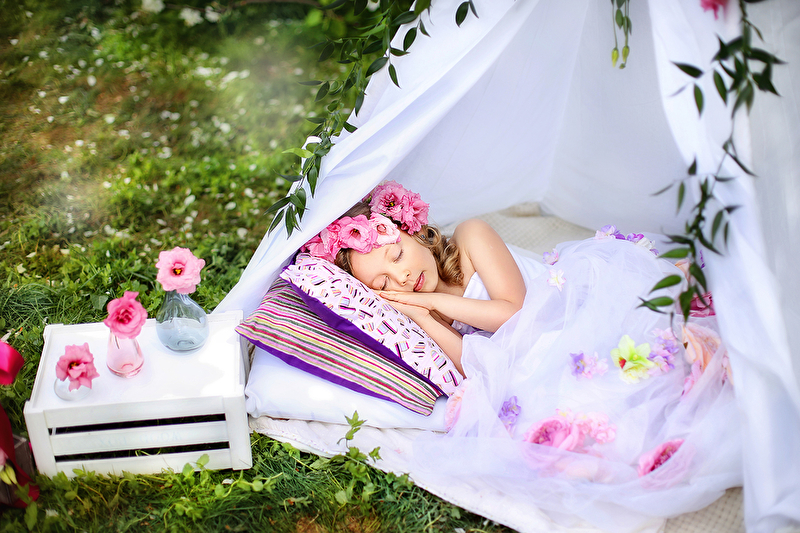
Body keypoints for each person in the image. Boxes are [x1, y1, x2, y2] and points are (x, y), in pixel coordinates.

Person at [301, 181, 741, 532]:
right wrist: (420, 315)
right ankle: (614, 456)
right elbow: (468, 361)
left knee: (642, 342)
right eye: (382, 284)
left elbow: (513, 312)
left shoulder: (471, 237)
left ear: (413, 232)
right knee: (579, 404)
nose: (401, 277)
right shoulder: (417, 308)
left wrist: (431, 302)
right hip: (537, 353)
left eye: (397, 255)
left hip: (570, 309)